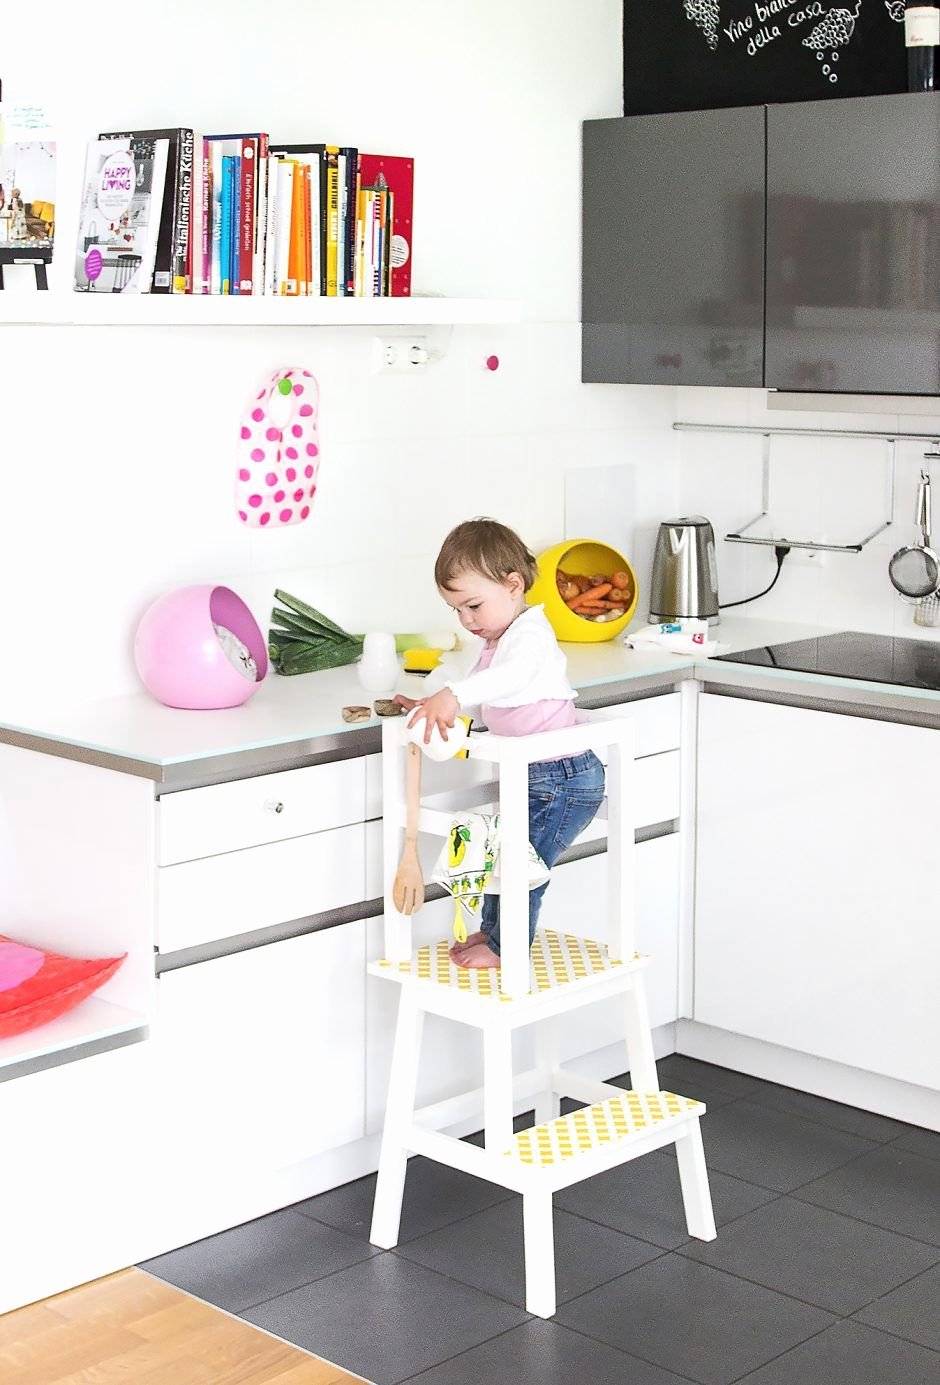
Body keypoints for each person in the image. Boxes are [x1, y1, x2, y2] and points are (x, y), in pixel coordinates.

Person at [397, 518, 605, 969]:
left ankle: (506, 947)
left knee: (521, 867)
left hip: (563, 779)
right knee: (506, 857)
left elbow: (510, 679)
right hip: (533, 774)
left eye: (473, 605)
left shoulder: (529, 635)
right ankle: (493, 935)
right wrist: (433, 699)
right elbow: (476, 686)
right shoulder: (499, 637)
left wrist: (454, 696)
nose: (466, 620)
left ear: (513, 585)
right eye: (457, 610)